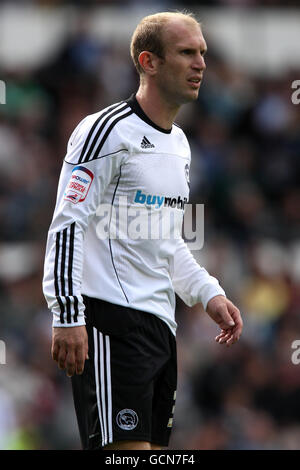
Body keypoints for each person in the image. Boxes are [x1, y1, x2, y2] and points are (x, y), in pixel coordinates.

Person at [43, 11, 243, 451]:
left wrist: (207, 291)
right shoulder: (106, 131)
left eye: (203, 53)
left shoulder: (180, 144)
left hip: (160, 328)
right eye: (187, 52)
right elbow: (67, 222)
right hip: (110, 320)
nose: (201, 64)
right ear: (148, 62)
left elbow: (167, 237)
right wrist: (68, 315)